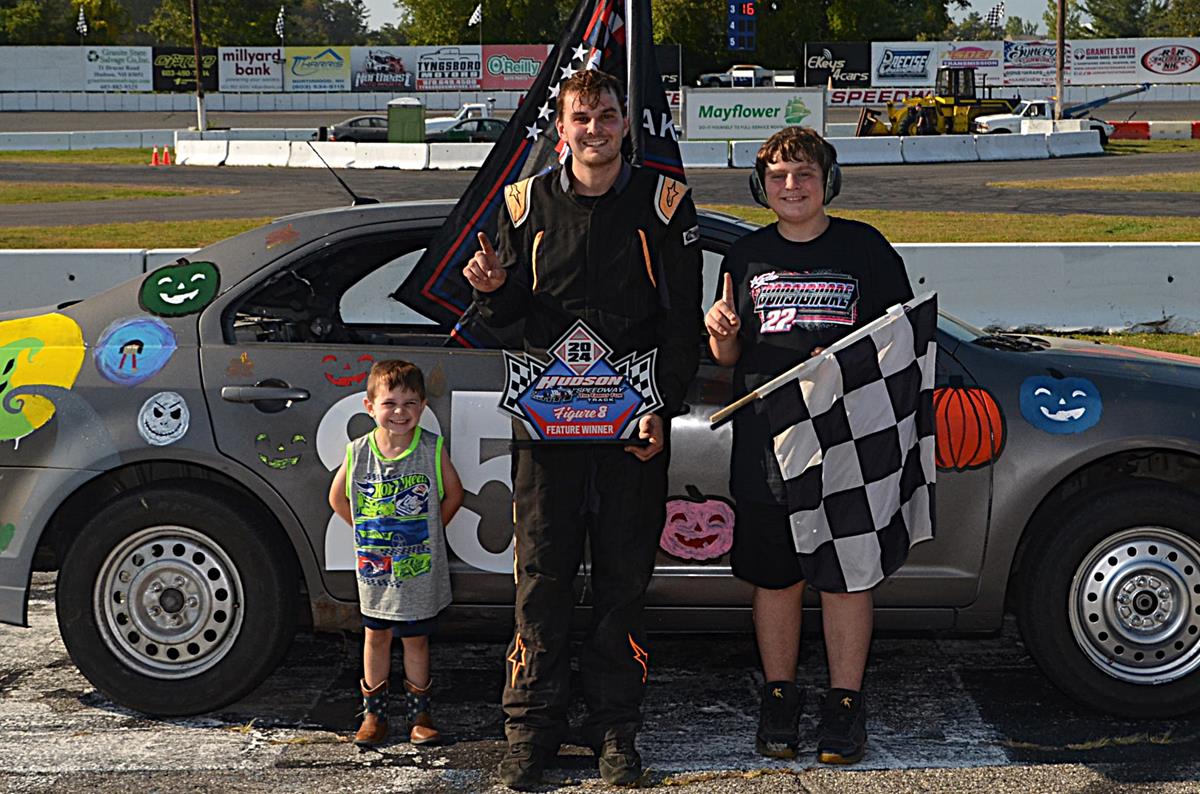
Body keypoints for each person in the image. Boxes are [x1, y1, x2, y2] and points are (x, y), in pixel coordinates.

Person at [463, 68, 702, 789]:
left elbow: (682, 324)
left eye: (606, 115)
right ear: (560, 128)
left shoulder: (664, 205)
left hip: (633, 429)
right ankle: (531, 730)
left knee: (623, 580)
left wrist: (660, 405)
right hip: (548, 428)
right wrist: (492, 293)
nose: (594, 128)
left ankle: (615, 728)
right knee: (542, 579)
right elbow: (503, 323)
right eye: (581, 117)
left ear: (625, 123)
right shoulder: (522, 204)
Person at [704, 126, 914, 765]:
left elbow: (902, 343)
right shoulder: (745, 256)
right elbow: (729, 357)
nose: (791, 186)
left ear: (829, 182)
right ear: (760, 185)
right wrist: (720, 335)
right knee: (777, 578)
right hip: (769, 443)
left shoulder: (865, 248)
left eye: (804, 174)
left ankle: (845, 704)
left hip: (848, 442)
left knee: (847, 575)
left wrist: (844, 362)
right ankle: (779, 697)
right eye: (778, 175)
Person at [328, 359, 464, 748]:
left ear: (423, 407)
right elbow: (337, 498)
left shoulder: (432, 449)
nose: (400, 412)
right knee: (376, 637)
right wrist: (367, 532)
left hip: (418, 571)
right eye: (389, 403)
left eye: (409, 403)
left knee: (416, 640)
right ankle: (374, 716)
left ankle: (420, 716)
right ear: (370, 406)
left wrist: (430, 531)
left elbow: (454, 494)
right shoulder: (358, 452)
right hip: (376, 571)